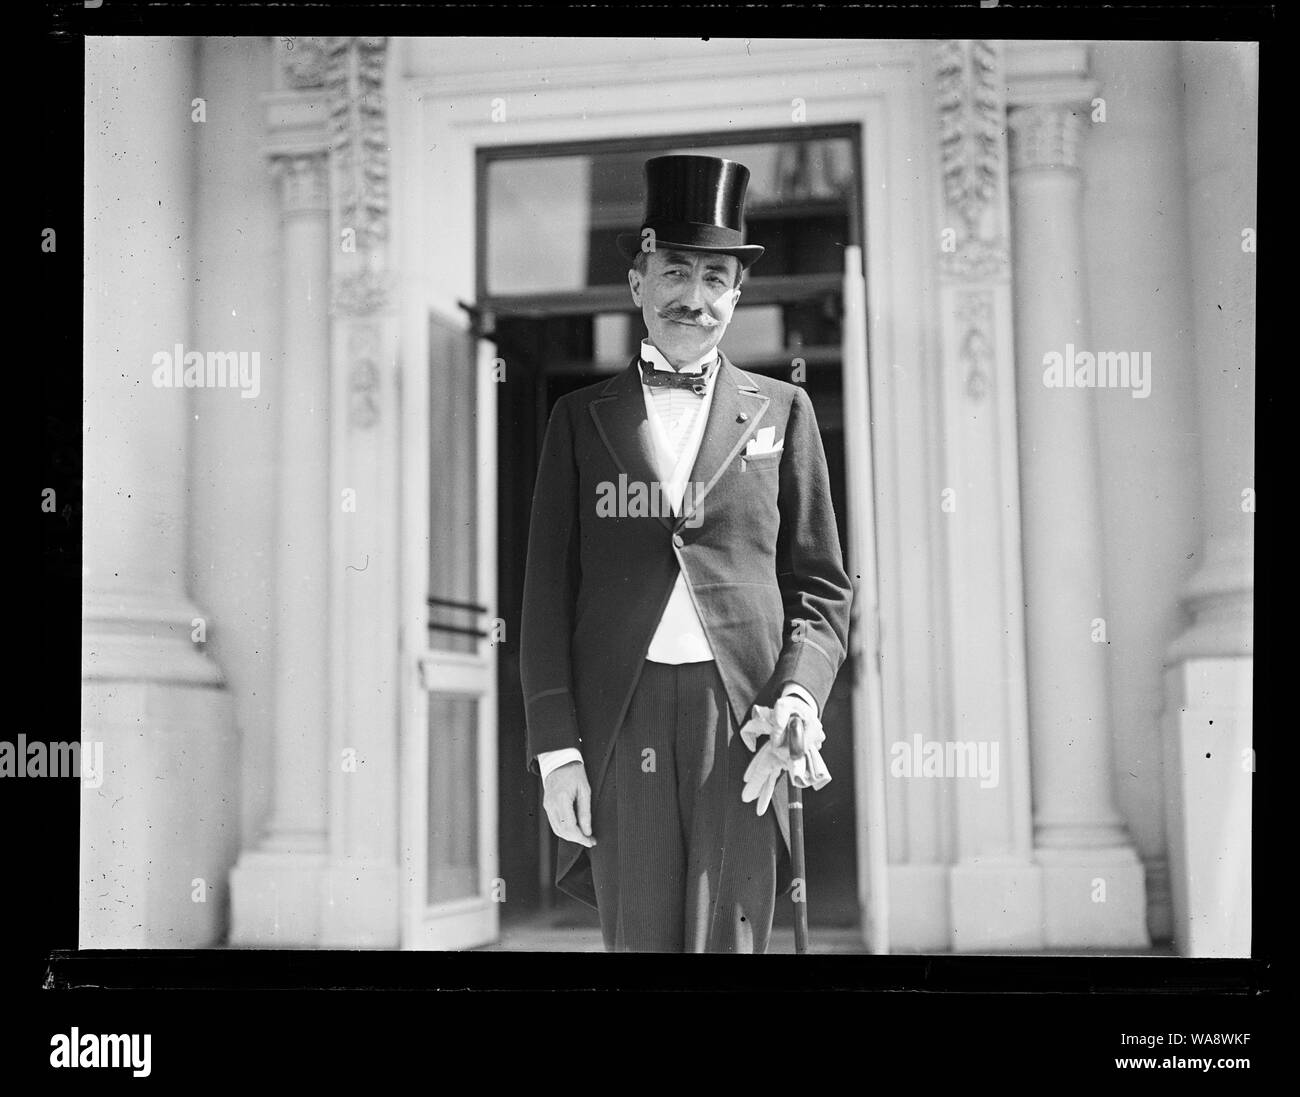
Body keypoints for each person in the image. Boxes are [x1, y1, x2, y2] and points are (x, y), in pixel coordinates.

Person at [520, 154, 853, 952]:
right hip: (619, 712)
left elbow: (820, 587)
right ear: (638, 281)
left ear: (736, 297)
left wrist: (799, 697)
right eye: (674, 271)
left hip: (739, 718)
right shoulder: (578, 418)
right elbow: (543, 597)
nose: (692, 298)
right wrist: (557, 752)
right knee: (637, 937)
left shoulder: (784, 410)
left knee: (731, 937)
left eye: (713, 279)